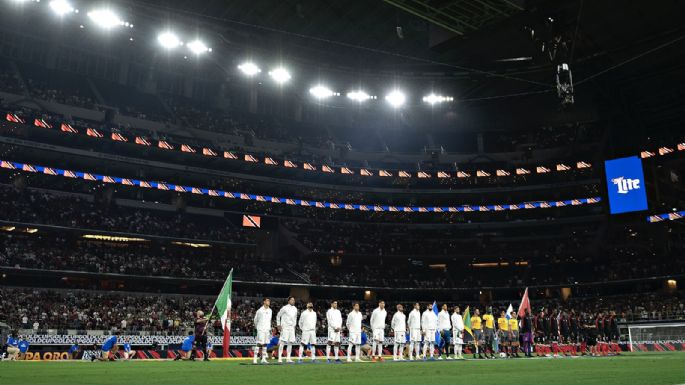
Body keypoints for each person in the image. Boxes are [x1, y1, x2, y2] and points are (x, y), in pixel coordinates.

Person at [276, 296, 298, 363]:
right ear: (288, 301)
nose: (293, 301)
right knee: (282, 342)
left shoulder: (295, 309)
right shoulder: (284, 308)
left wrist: (294, 325)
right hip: (285, 327)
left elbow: (295, 318)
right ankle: (279, 358)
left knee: (290, 343)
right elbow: (278, 315)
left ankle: (288, 358)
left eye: (294, 300)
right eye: (291, 300)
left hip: (291, 327)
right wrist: (278, 324)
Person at [253, 298, 273, 364]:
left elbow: (269, 320)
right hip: (261, 329)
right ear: (264, 302)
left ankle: (263, 359)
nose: (269, 302)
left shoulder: (270, 310)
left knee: (265, 344)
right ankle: (255, 359)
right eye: (267, 301)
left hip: (267, 329)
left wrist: (269, 328)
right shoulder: (260, 311)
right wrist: (257, 327)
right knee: (259, 343)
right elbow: (255, 320)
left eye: (269, 301)